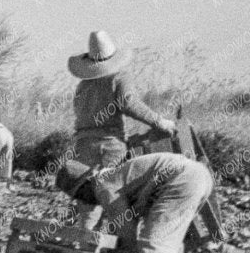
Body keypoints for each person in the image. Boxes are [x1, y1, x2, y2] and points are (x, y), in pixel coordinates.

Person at [56, 153, 215, 253]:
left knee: (155, 240)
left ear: (85, 184)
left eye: (79, 195)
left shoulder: (103, 186)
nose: (84, 201)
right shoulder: (113, 177)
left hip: (183, 178)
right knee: (172, 235)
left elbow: (129, 236)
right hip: (199, 176)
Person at [67, 30, 174, 169]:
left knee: (88, 188)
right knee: (113, 187)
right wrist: (159, 122)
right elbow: (128, 103)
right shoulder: (118, 78)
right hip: (110, 146)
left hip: (82, 146)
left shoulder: (83, 85)